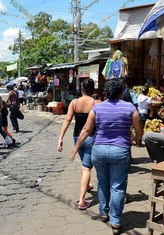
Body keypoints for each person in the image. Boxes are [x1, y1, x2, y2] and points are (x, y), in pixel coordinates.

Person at [70, 79, 142, 234]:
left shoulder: (98, 108)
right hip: (120, 151)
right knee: (117, 186)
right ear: (121, 92)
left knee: (102, 182)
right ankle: (115, 222)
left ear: (106, 92)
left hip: (99, 150)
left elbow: (86, 130)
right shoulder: (130, 107)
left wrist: (76, 147)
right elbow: (138, 128)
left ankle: (104, 213)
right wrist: (137, 138)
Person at [57, 78, 101, 210]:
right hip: (92, 137)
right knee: (86, 167)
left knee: (84, 165)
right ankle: (82, 200)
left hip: (77, 138)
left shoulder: (74, 103)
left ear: (81, 89)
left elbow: (67, 119)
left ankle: (86, 186)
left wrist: (60, 138)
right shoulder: (97, 103)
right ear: (93, 89)